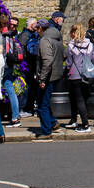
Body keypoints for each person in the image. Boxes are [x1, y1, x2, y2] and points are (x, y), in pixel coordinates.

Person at [65, 22, 94, 132]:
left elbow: (69, 63)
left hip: (75, 75)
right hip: (87, 75)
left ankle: (85, 124)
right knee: (80, 98)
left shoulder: (70, 45)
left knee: (78, 99)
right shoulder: (90, 45)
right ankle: (74, 120)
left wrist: (68, 71)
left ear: (73, 33)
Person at [34, 11, 67, 139]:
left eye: (37, 28)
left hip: (47, 77)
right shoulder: (57, 37)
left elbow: (47, 61)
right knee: (45, 102)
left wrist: (42, 78)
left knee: (42, 104)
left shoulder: (45, 40)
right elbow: (63, 55)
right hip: (56, 74)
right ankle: (52, 122)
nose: (36, 30)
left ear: (41, 28)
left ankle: (46, 131)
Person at [18, 18, 40, 116]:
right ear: (31, 25)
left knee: (31, 87)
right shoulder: (25, 35)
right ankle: (23, 108)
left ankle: (29, 107)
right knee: (26, 87)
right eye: (35, 24)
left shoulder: (30, 34)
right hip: (26, 65)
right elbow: (22, 51)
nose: (37, 26)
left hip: (30, 65)